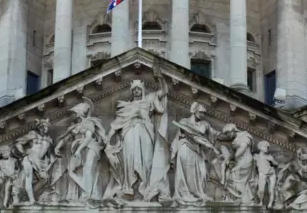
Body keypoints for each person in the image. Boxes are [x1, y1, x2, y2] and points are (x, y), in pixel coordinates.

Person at [104, 68, 170, 202]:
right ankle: (127, 187)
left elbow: (164, 92)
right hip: (129, 132)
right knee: (129, 158)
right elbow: (116, 123)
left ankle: (147, 188)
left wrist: (161, 78)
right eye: (134, 89)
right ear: (131, 91)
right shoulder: (126, 106)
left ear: (143, 90)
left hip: (145, 132)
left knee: (146, 159)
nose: (136, 91)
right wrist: (108, 137)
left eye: (138, 89)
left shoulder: (149, 100)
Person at [51, 97, 106, 202]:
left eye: (74, 113)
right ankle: (87, 189)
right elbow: (67, 138)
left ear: (79, 113)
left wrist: (78, 150)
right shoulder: (75, 126)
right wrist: (58, 146)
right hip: (78, 150)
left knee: (88, 170)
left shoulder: (89, 123)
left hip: (90, 148)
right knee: (70, 171)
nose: (72, 115)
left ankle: (89, 194)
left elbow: (88, 138)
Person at [171, 102, 221, 205]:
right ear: (194, 110)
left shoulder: (205, 124)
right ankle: (185, 194)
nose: (202, 114)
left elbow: (215, 133)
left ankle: (199, 193)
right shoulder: (184, 122)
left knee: (202, 173)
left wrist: (228, 134)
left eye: (203, 113)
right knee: (187, 172)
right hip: (186, 147)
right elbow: (188, 136)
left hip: (198, 151)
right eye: (200, 112)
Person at [14, 119, 55, 204]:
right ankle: (31, 199)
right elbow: (18, 143)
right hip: (29, 158)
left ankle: (28, 195)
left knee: (44, 179)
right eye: (43, 126)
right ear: (39, 127)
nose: (44, 128)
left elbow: (49, 154)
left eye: (46, 126)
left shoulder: (49, 139)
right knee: (28, 177)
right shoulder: (33, 134)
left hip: (40, 162)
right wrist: (23, 152)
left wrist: (52, 159)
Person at [222, 123, 256, 205]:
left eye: (227, 133)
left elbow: (242, 149)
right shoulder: (238, 137)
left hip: (245, 161)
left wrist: (231, 157)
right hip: (240, 161)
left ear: (232, 131)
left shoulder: (245, 136)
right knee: (237, 180)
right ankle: (242, 197)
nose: (227, 136)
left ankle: (244, 200)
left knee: (235, 179)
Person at [254, 141, 278, 208]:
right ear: (260, 147)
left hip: (271, 173)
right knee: (261, 190)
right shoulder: (256, 156)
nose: (267, 148)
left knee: (271, 190)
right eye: (265, 146)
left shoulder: (269, 156)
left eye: (267, 147)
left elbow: (276, 164)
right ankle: (261, 202)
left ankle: (270, 204)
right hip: (262, 173)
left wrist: (272, 160)